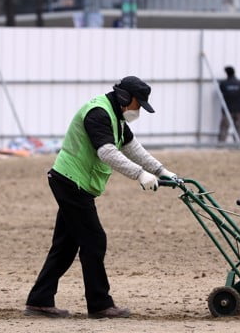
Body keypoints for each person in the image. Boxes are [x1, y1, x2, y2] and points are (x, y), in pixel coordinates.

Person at [24, 76, 178, 319]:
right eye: (138, 105)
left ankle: (39, 300)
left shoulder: (115, 116)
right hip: (70, 182)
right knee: (94, 241)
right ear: (126, 98)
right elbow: (106, 152)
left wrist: (161, 171)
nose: (139, 111)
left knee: (65, 245)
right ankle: (99, 304)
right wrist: (140, 175)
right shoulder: (98, 113)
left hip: (75, 183)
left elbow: (132, 147)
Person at [218, 66, 240, 142]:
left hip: (227, 109)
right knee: (238, 127)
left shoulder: (223, 84)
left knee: (224, 127)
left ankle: (221, 144)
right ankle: (238, 143)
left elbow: (221, 91)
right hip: (238, 109)